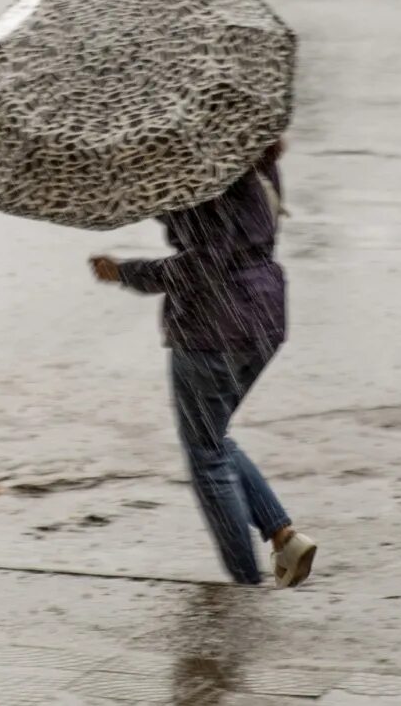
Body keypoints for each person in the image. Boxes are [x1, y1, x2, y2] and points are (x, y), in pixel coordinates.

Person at [90, 140, 317, 587]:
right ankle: (283, 536)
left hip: (214, 328)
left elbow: (201, 264)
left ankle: (244, 584)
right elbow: (230, 236)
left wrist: (125, 272)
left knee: (206, 454)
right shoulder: (255, 159)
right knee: (212, 436)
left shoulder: (204, 175)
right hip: (265, 318)